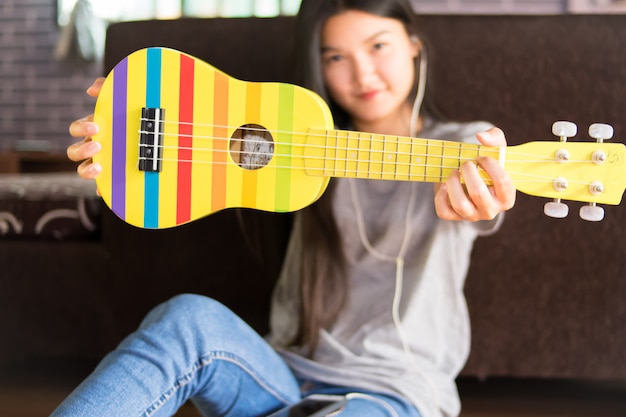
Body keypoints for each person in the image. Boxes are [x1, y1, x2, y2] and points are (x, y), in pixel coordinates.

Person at [55, 0, 516, 416]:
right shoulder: (291, 136)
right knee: (185, 318)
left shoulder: (461, 144)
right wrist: (124, 123)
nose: (363, 73)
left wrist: (485, 196)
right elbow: (194, 140)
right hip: (278, 372)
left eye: (379, 46)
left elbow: (486, 196)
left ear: (414, 46)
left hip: (391, 393)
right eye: (336, 56)